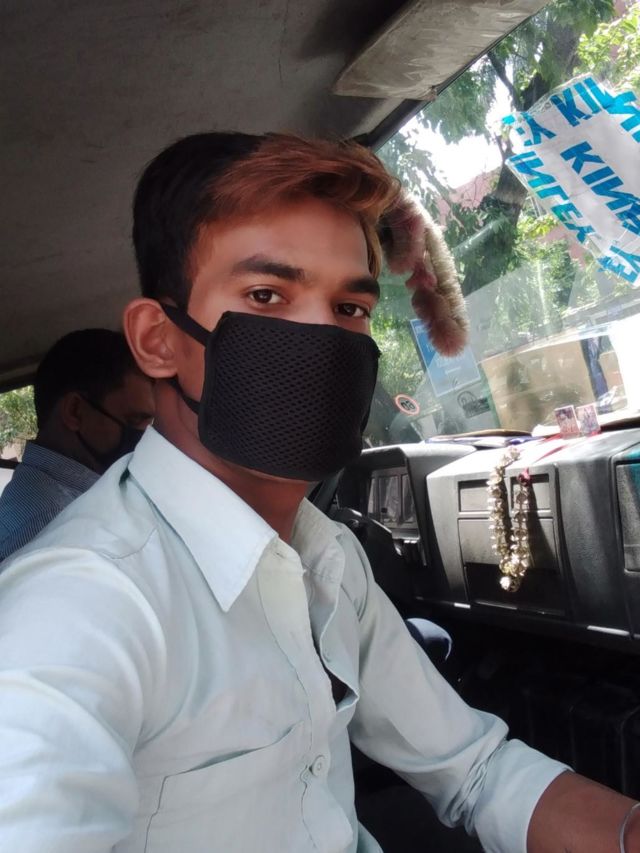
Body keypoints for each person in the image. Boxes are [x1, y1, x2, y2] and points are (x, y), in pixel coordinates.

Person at [0, 132, 637, 853]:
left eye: (349, 308)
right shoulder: (80, 606)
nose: (321, 341)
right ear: (158, 339)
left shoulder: (325, 554)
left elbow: (475, 769)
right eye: (265, 295)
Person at [0, 329, 155, 562]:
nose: (145, 437)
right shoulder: (49, 523)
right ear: (75, 411)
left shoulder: (79, 498)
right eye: (133, 421)